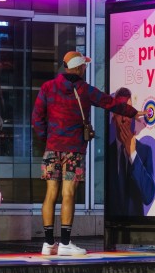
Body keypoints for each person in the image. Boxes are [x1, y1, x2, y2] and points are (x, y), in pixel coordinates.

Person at [32, 51, 141, 256]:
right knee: (68, 193)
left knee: (50, 193)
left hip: (52, 148)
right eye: (84, 66)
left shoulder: (47, 87)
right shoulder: (84, 89)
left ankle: (48, 244)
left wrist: (46, 138)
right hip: (74, 149)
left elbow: (37, 117)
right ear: (80, 68)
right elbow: (109, 103)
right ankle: (65, 243)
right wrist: (133, 112)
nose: (85, 68)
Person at [106, 87, 155, 217]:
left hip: (136, 226)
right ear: (113, 116)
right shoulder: (107, 154)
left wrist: (133, 154)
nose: (125, 119)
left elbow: (148, 196)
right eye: (120, 112)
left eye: (128, 112)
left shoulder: (144, 151)